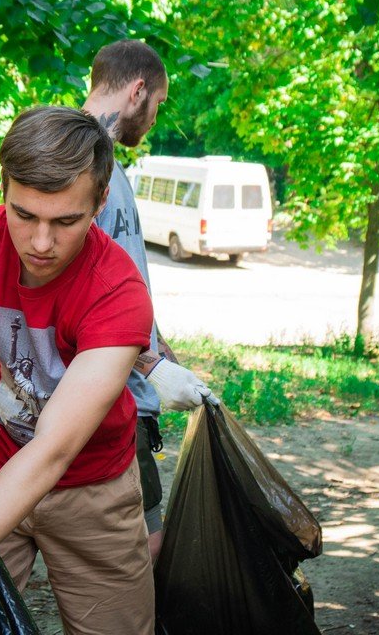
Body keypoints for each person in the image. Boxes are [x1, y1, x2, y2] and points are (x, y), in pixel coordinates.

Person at [0, 106, 206, 634]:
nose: (40, 243)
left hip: (90, 486)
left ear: (99, 203)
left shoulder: (118, 290)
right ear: (2, 189)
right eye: (24, 214)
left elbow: (54, 448)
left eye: (66, 221)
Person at [81, 39, 214, 561]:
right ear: (137, 90)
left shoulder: (109, 165)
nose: (155, 119)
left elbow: (123, 281)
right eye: (157, 104)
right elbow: (81, 291)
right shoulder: (82, 165)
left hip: (125, 387)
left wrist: (165, 351)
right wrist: (150, 363)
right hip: (107, 398)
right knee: (144, 549)